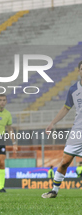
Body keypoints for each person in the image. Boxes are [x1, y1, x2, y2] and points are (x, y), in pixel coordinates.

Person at [42, 61, 82, 198]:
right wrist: (52, 123)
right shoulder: (73, 90)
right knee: (65, 162)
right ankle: (54, 191)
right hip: (77, 132)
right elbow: (66, 108)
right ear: (78, 71)